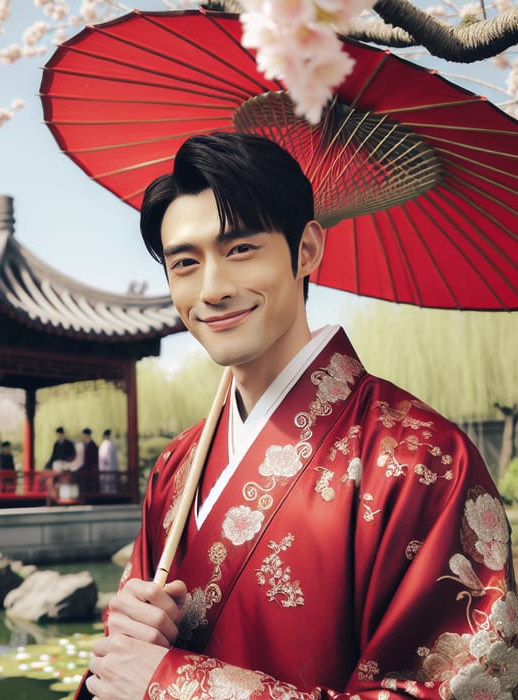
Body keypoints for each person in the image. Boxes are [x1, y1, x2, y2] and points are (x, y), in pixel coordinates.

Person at [80, 133, 517, 700]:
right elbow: (124, 672)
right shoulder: (177, 466)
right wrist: (127, 641)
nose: (211, 289)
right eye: (184, 263)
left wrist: (178, 685)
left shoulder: (422, 459)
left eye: (241, 250)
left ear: (306, 249)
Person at [77, 427, 99, 493]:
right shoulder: (86, 444)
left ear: (87, 435)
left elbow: (93, 458)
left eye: (84, 435)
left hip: (91, 467)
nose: (83, 436)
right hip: (86, 466)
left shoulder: (92, 445)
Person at [98, 429, 120, 493]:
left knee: (107, 481)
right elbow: (105, 457)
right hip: (108, 466)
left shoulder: (104, 445)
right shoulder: (108, 445)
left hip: (106, 466)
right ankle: (108, 492)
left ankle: (107, 491)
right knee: (108, 480)